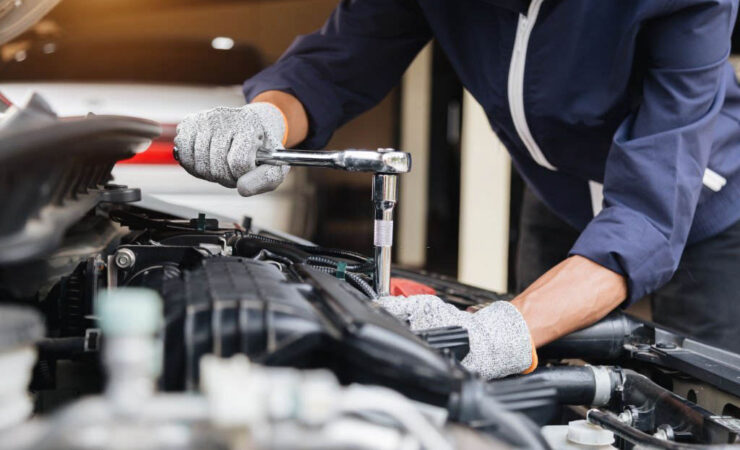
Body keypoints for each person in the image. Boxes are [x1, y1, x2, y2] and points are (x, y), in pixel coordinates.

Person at [174, 0, 740, 378]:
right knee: (538, 384)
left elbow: (649, 215)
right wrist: (266, 122)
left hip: (704, 209)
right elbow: (334, 66)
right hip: (557, 194)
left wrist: (505, 326)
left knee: (699, 400)